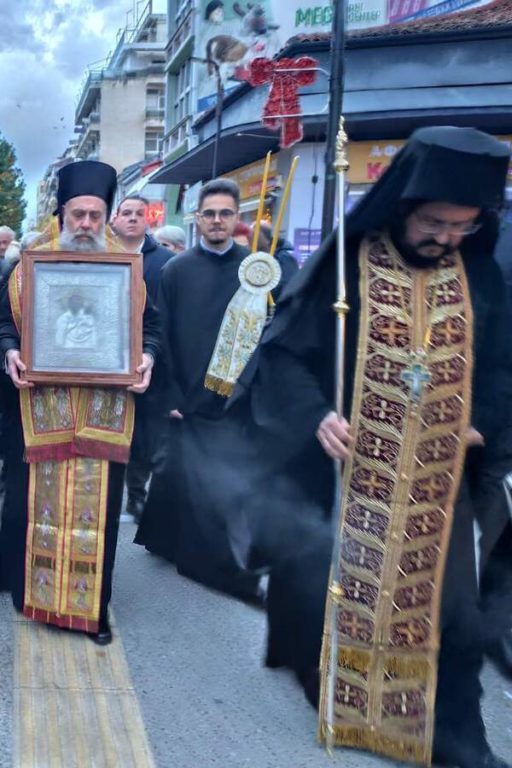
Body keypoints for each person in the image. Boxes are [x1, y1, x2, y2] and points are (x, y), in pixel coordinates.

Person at [240, 127, 512, 768]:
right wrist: (318, 416)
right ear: (404, 206)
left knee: (453, 611)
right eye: (437, 222)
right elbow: (283, 355)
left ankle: (456, 736)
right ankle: (342, 695)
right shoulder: (348, 262)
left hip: (439, 479)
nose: (447, 237)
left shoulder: (480, 274)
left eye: (463, 226)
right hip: (351, 470)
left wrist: (487, 422)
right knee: (329, 588)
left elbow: (502, 368)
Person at [0, 160, 160, 645]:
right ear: (61, 215)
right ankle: (31, 596)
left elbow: (152, 331)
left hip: (105, 416)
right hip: (40, 412)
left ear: (106, 218)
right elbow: (0, 329)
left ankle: (91, 611)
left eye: (94, 216)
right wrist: (10, 352)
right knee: (29, 508)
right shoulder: (28, 270)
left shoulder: (129, 273)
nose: (85, 225)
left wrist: (147, 358)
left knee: (97, 516)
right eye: (77, 215)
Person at [134, 178, 296, 601]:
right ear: (198, 220)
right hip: (186, 394)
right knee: (177, 473)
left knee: (224, 478)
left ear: (237, 219)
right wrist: (167, 395)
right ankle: (169, 542)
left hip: (238, 396)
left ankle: (209, 556)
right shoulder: (176, 270)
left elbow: (274, 335)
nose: (218, 221)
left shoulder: (258, 272)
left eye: (226, 213)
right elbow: (160, 333)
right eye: (210, 214)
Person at [111, 195, 175, 522]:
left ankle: (136, 494)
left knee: (143, 434)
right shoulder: (101, 254)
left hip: (149, 360)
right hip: (105, 362)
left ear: (147, 220)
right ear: (115, 219)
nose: (133, 219)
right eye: (127, 213)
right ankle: (111, 493)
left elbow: (168, 314)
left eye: (139, 213)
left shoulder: (165, 261)